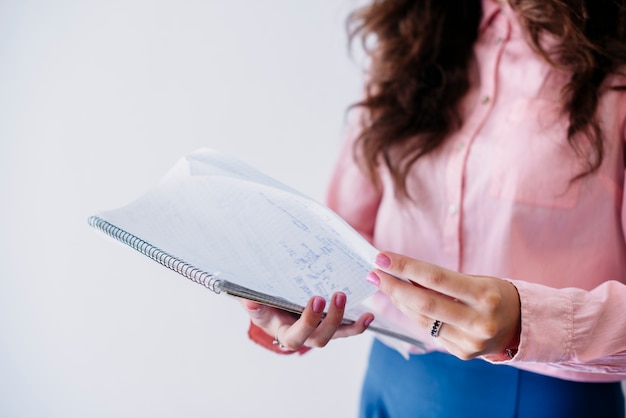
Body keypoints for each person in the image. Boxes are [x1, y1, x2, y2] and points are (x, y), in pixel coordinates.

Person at [243, 0, 626, 416]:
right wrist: (288, 305)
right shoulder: (409, 34)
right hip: (392, 376)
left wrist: (527, 322)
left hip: (541, 396)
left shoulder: (616, 58)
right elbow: (342, 235)